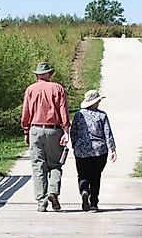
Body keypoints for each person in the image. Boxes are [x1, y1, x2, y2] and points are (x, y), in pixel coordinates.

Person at [21, 61, 70, 212]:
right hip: (54, 131)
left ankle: (41, 202)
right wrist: (66, 132)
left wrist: (26, 130)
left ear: (37, 75)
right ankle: (53, 192)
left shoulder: (30, 89)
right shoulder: (57, 88)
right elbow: (63, 112)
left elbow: (26, 114)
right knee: (55, 165)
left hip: (35, 130)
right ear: (49, 74)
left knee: (38, 167)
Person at [70, 89, 116, 212]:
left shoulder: (78, 115)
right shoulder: (102, 115)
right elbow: (107, 133)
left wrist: (75, 145)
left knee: (83, 174)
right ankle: (94, 203)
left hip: (82, 150)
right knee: (96, 176)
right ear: (95, 102)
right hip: (99, 150)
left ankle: (84, 190)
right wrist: (112, 149)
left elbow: (73, 132)